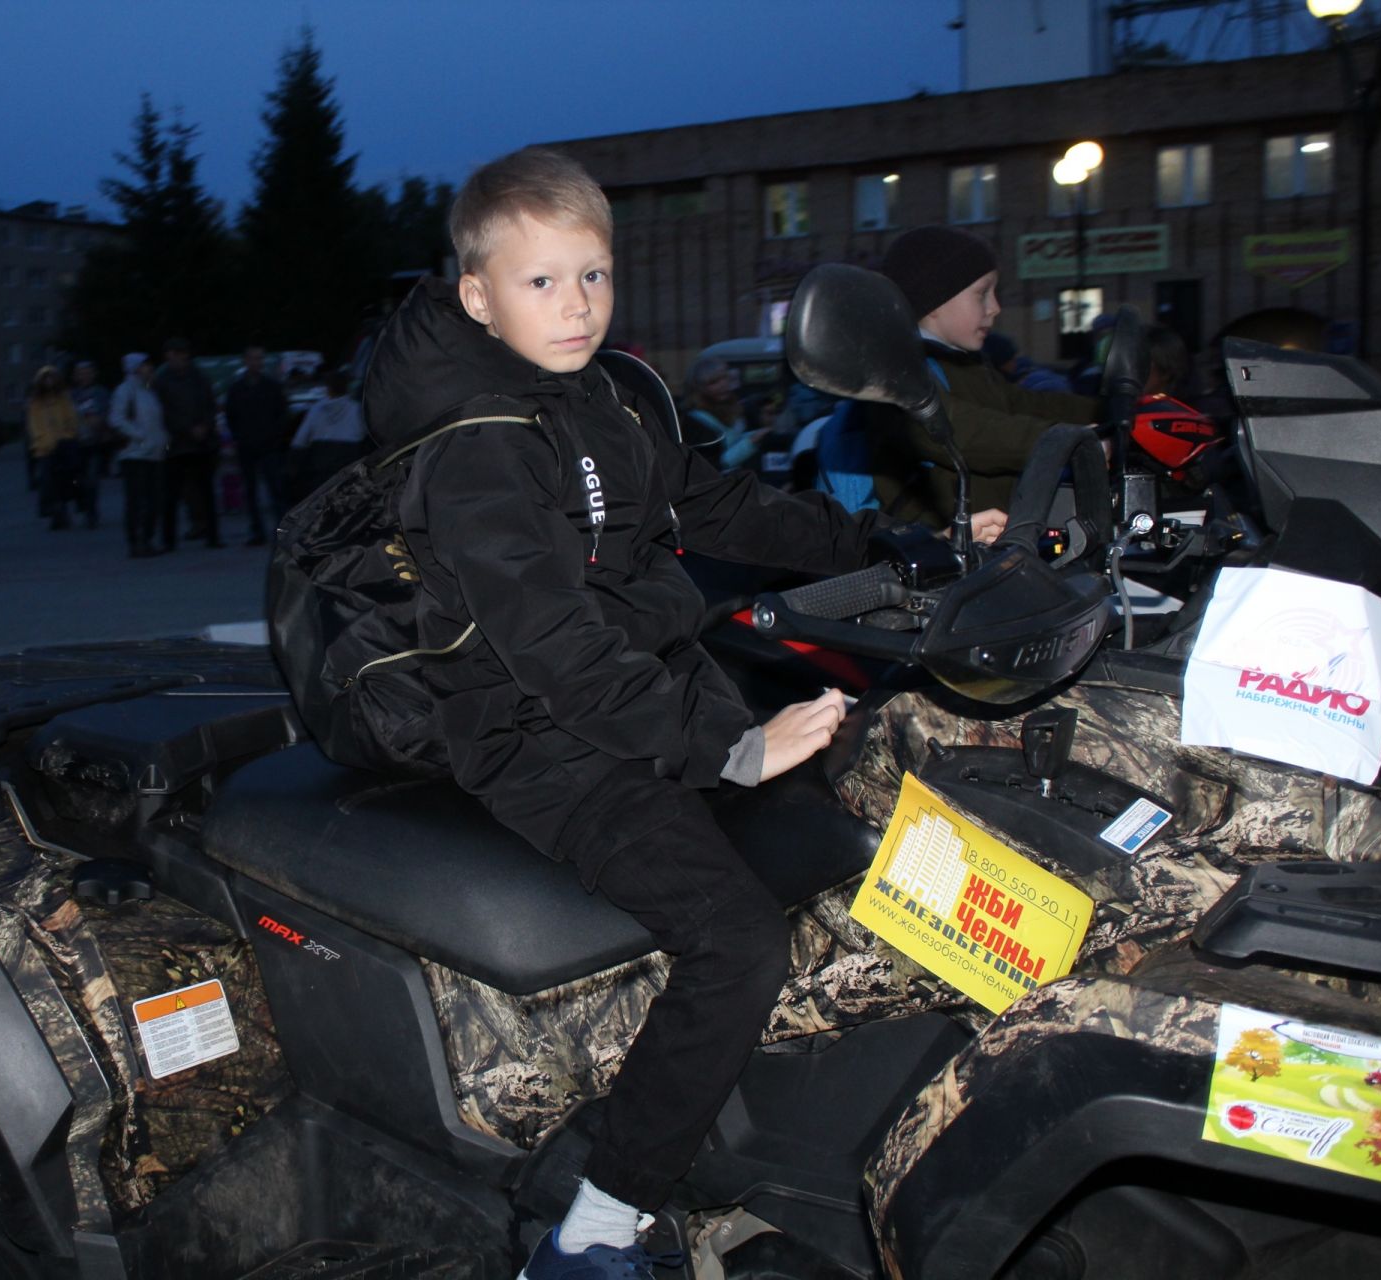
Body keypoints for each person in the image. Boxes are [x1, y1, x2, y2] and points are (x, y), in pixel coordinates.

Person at [359, 148, 1003, 1279]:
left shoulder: (602, 397)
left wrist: (897, 549)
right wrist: (729, 746)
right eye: (542, 282)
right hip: (543, 742)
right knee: (735, 940)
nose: (576, 306)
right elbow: (553, 646)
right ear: (477, 295)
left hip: (643, 695)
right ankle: (600, 1220)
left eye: (594, 277)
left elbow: (718, 502)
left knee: (855, 811)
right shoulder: (472, 447)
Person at [864, 225, 1099, 526]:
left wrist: (1111, 409)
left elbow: (1023, 403)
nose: (995, 307)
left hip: (986, 544)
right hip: (938, 553)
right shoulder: (895, 374)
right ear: (935, 300)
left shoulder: (967, 363)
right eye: (982, 294)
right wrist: (1067, 440)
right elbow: (962, 430)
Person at [152, 337, 223, 549]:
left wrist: (205, 426)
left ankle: (212, 536)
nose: (174, 358)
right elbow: (162, 412)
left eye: (177, 353)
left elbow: (211, 405)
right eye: (171, 354)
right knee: (171, 495)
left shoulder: (199, 376)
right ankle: (168, 539)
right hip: (175, 444)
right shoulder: (162, 379)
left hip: (202, 443)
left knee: (206, 493)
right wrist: (186, 428)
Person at [225, 345, 290, 546]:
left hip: (268, 446)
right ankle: (257, 532)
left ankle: (280, 531)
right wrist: (240, 438)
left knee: (275, 491)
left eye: (259, 359)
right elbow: (231, 416)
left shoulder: (271, 386)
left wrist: (275, 437)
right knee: (251, 492)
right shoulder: (237, 388)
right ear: (245, 361)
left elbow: (282, 414)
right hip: (248, 446)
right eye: (253, 359)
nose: (257, 363)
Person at [110, 352, 169, 557]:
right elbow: (117, 419)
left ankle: (147, 539)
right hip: (134, 455)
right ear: (134, 368)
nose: (149, 369)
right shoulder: (125, 391)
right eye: (145, 365)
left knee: (153, 500)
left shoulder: (148, 391)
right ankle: (136, 541)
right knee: (137, 501)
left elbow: (157, 422)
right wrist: (140, 437)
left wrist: (161, 443)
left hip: (153, 455)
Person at [288, 369, 365, 501]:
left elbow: (300, 441)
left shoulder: (316, 410)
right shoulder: (356, 410)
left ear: (328, 388)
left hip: (321, 468)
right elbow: (363, 434)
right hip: (349, 466)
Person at [683, 358, 769, 471]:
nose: (722, 385)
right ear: (700, 388)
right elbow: (714, 464)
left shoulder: (734, 407)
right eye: (713, 382)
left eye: (725, 378)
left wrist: (755, 436)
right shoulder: (696, 420)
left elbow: (732, 440)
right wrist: (750, 443)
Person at [26, 365, 82, 531]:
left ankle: (64, 511)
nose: (49, 382)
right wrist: (43, 441)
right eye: (45, 379)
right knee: (48, 482)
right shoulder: (35, 403)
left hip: (63, 445)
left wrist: (67, 435)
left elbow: (71, 419)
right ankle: (54, 513)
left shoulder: (63, 398)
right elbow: (34, 425)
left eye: (51, 378)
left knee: (64, 480)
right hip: (45, 449)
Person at [71, 360, 108, 527]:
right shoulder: (72, 395)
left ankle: (91, 511)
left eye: (88, 372)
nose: (84, 376)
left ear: (94, 374)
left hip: (95, 443)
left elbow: (104, 414)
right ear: (76, 376)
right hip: (76, 444)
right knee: (79, 480)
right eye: (81, 373)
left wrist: (98, 421)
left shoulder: (100, 393)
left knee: (92, 478)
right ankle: (84, 505)